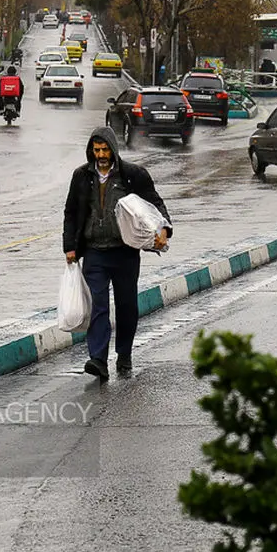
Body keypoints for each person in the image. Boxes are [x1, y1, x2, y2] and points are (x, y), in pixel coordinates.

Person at [63, 126, 172, 382]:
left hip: (125, 252)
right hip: (94, 254)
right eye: (96, 149)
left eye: (105, 149)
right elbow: (70, 212)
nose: (101, 154)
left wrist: (164, 228)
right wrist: (70, 246)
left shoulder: (132, 175)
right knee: (98, 306)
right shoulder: (81, 177)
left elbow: (155, 203)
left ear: (114, 149)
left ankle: (124, 353)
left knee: (126, 306)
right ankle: (98, 359)